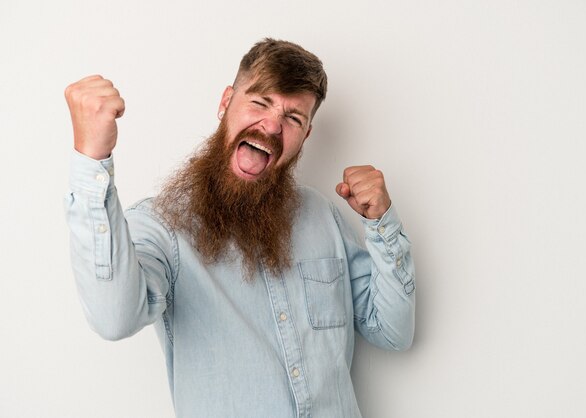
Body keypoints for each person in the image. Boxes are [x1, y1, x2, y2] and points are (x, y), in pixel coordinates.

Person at [64, 38, 415, 418]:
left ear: (306, 136)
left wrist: (382, 223)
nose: (272, 126)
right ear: (225, 102)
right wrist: (91, 159)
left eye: (293, 118)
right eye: (260, 102)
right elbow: (113, 319)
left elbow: (392, 331)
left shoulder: (322, 216)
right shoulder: (162, 226)